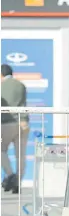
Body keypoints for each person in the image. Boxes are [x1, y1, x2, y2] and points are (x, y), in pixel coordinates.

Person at [1, 64, 29, 194]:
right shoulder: (21, 85)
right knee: (21, 155)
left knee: (1, 150)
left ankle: (10, 175)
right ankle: (18, 182)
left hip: (7, 123)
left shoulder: (1, 86)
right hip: (23, 122)